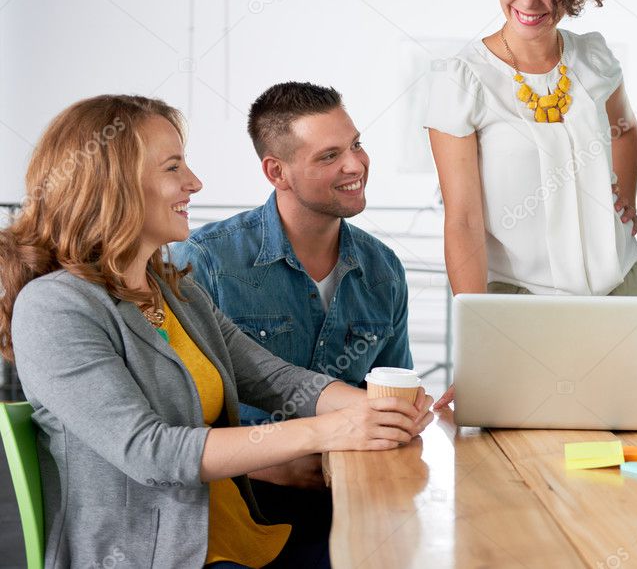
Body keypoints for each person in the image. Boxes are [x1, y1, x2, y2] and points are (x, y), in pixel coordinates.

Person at [0, 95, 432, 568]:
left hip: (239, 538)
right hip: (161, 556)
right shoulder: (55, 307)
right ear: (113, 184)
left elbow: (276, 380)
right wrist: (331, 429)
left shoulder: (174, 294)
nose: (195, 183)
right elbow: (152, 453)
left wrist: (384, 409)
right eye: (172, 168)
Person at [427, 0, 637, 406]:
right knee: (533, 454)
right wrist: (478, 341)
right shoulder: (462, 80)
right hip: (522, 302)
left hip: (625, 287)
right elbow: (462, 220)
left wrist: (627, 197)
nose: (529, 0)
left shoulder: (593, 58)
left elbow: (625, 130)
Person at [170, 81, 424, 548]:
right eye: (329, 156)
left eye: (356, 145)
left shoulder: (383, 269)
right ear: (276, 172)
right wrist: (275, 466)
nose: (355, 165)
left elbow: (388, 388)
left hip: (356, 494)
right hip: (242, 500)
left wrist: (404, 413)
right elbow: (174, 429)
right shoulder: (203, 261)